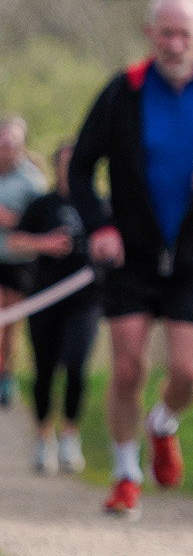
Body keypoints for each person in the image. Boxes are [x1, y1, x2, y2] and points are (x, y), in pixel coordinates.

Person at [71, 0, 193, 518]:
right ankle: (125, 473)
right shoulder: (124, 91)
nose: (176, 43)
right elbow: (81, 168)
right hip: (130, 254)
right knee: (128, 367)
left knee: (188, 374)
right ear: (150, 33)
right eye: (167, 33)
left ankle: (163, 424)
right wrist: (100, 226)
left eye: (186, 34)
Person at [9, 140, 100, 475]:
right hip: (43, 296)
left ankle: (69, 435)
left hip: (85, 300)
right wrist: (44, 244)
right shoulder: (41, 204)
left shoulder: (100, 207)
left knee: (76, 366)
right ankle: (42, 437)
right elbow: (14, 241)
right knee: (44, 370)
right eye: (66, 162)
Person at [0, 116, 47, 408]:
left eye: (12, 143)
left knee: (10, 324)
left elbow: (42, 221)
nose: (8, 148)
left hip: (19, 262)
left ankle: (6, 374)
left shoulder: (32, 181)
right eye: (4, 142)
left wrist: (11, 220)